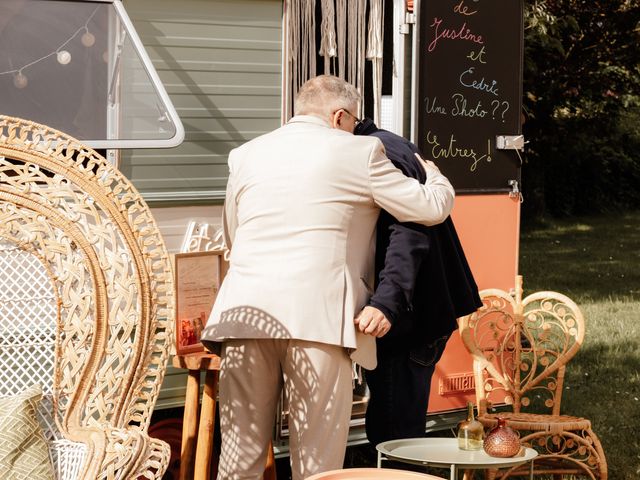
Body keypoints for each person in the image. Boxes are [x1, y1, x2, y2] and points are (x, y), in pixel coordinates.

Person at [200, 75, 455, 480]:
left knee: (239, 454)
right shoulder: (361, 151)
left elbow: (234, 233)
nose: (356, 127)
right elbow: (428, 209)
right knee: (317, 460)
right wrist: (435, 175)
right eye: (353, 120)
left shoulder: (246, 154)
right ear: (339, 115)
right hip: (318, 321)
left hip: (244, 316)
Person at [353, 118, 482, 446]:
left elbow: (408, 234)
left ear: (339, 118)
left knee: (395, 432)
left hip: (410, 318)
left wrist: (387, 303)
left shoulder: (380, 155)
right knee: (394, 417)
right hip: (422, 311)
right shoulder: (390, 144)